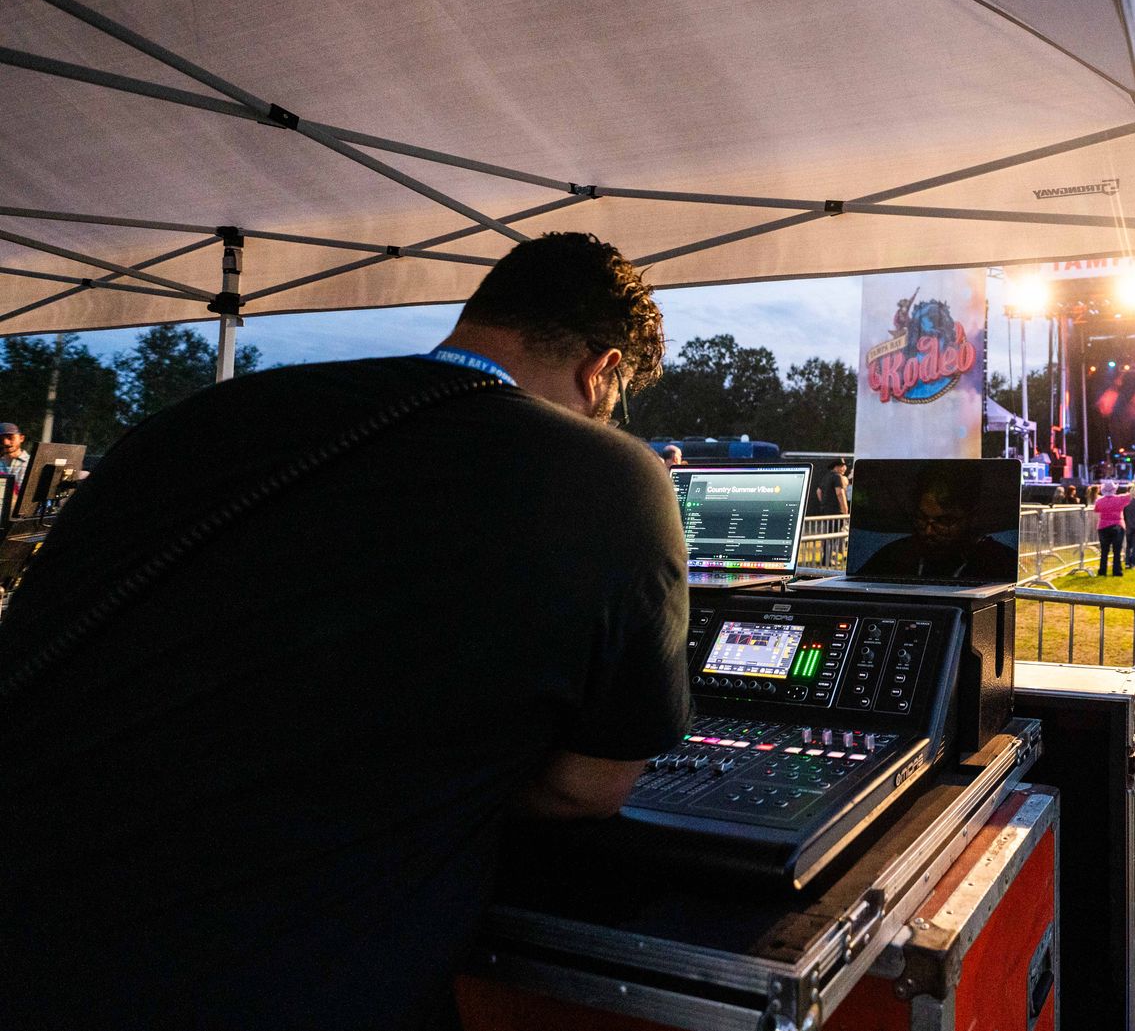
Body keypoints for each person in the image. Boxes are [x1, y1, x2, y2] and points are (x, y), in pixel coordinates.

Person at [0, 233, 689, 1030]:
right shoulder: (613, 474)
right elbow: (590, 786)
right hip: (283, 985)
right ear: (600, 371)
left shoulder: (204, 416)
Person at [859, 466, 1019, 581]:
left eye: (944, 522)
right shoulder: (893, 556)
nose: (928, 531)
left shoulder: (998, 562)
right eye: (921, 518)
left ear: (972, 516)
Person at [1092, 480, 1130, 576]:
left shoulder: (1099, 501)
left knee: (1104, 550)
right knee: (1117, 550)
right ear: (1114, 489)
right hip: (1117, 525)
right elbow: (1130, 495)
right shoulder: (1120, 499)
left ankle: (1102, 570)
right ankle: (1117, 571)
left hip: (1103, 526)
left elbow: (1096, 510)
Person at [0, 422, 28, 509]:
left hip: (21, 517)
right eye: (0, 439)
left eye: (10, 437)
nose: (5, 442)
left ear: (21, 438)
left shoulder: (32, 464)